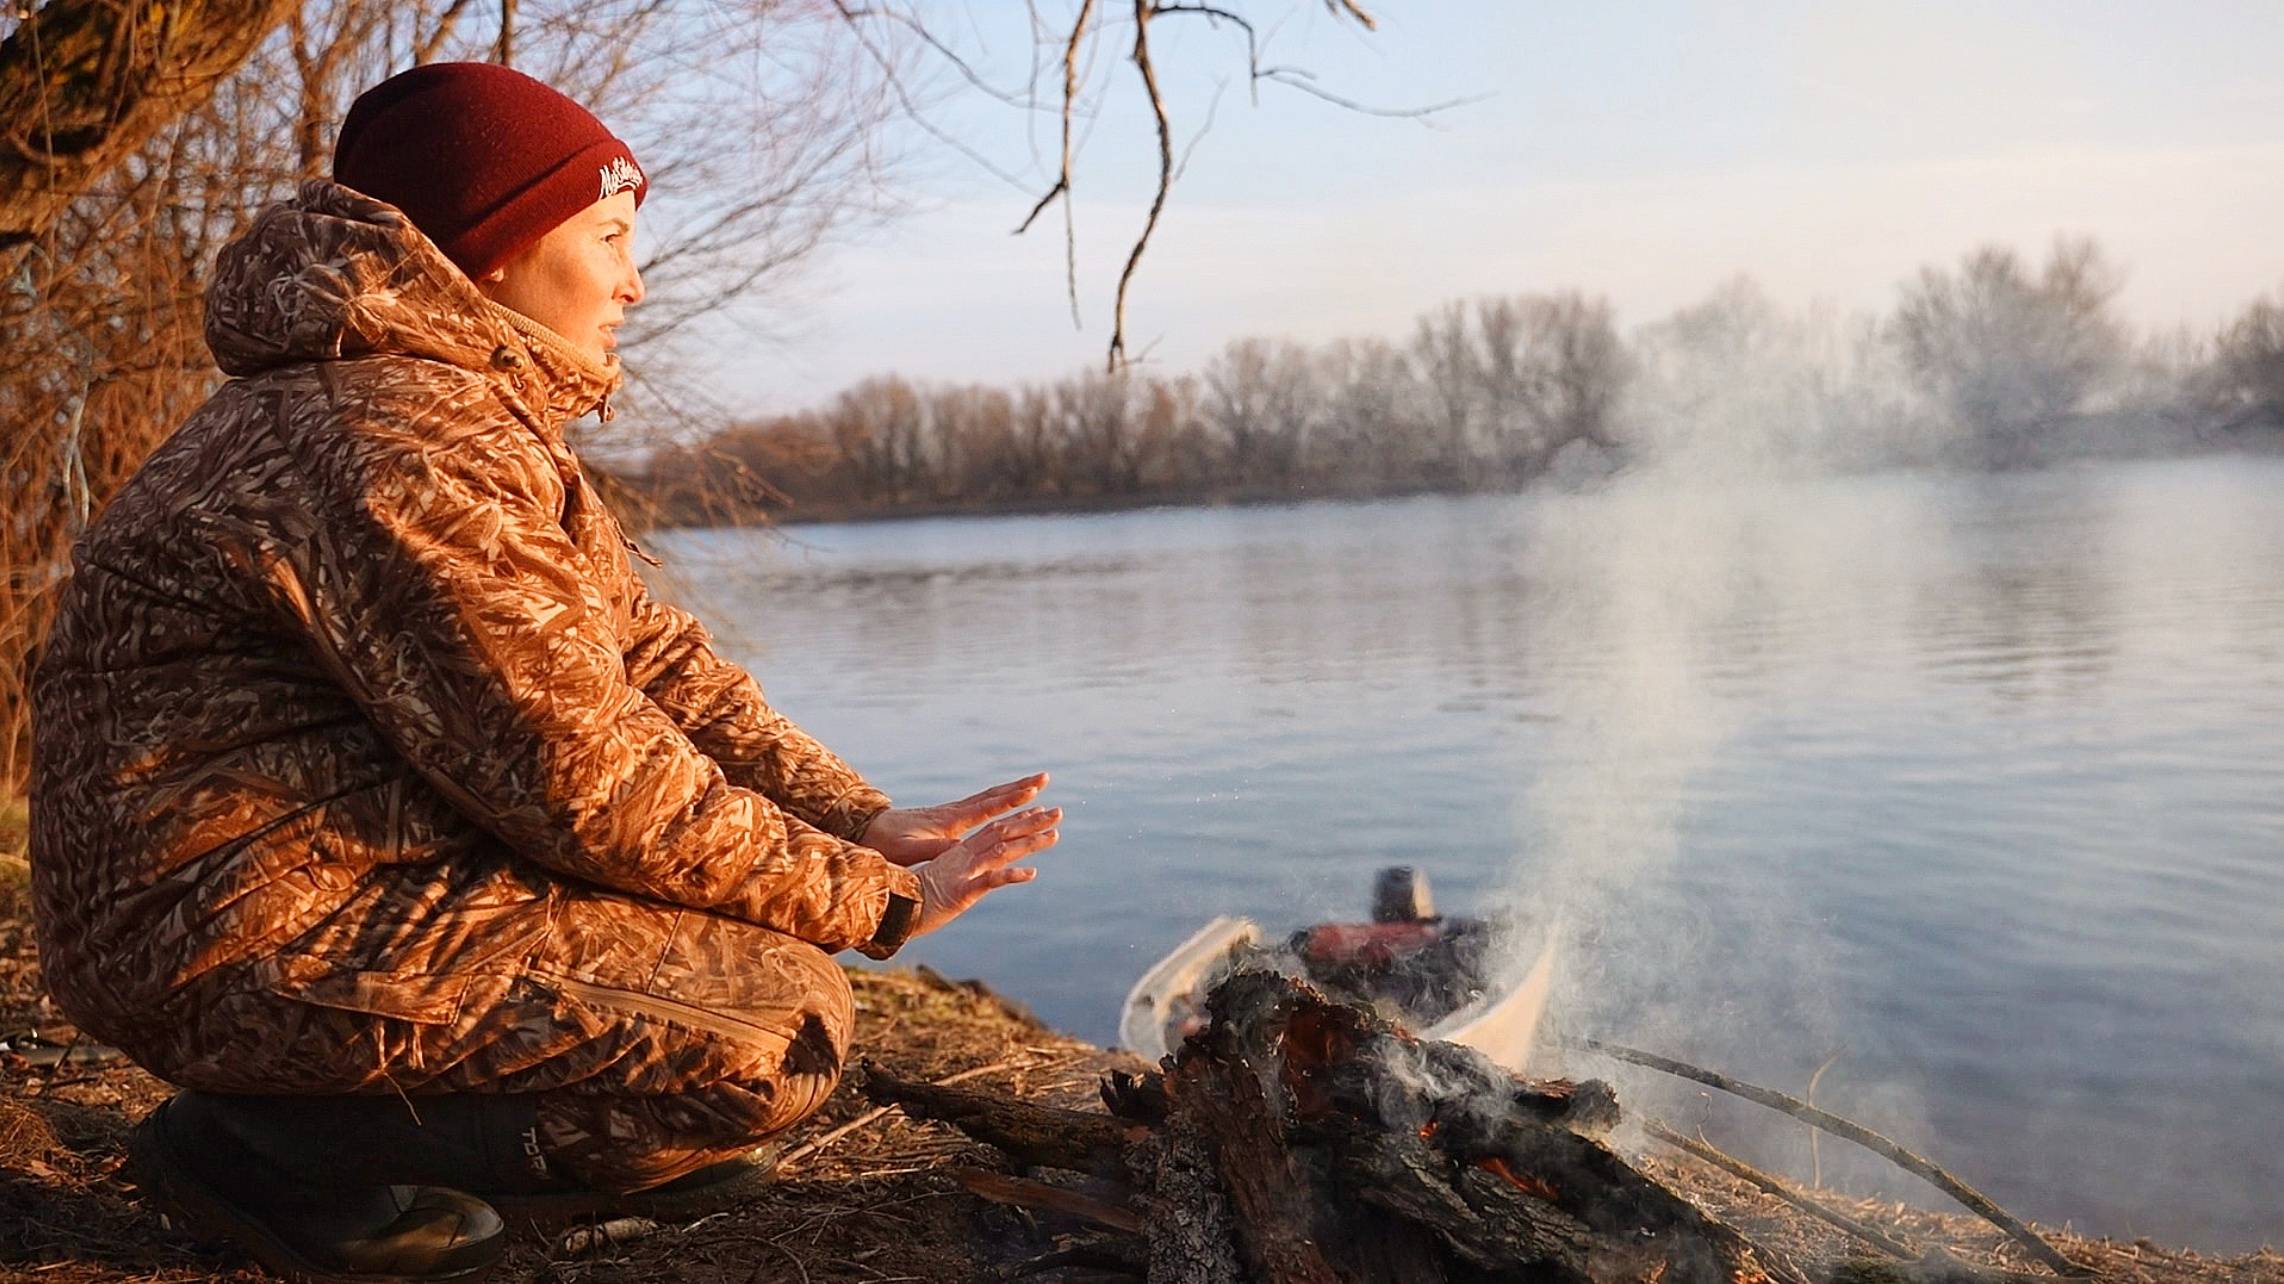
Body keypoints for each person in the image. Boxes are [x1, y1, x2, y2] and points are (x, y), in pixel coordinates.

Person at [27, 62, 1060, 1284]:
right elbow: (580, 778)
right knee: (779, 1030)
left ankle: (526, 1135)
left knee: (735, 985)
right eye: (611, 236)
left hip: (301, 893)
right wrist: (871, 900)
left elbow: (650, 658)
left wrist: (857, 818)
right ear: (498, 251)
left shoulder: (448, 415)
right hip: (225, 938)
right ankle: (265, 1151)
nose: (634, 278)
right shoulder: (397, 440)